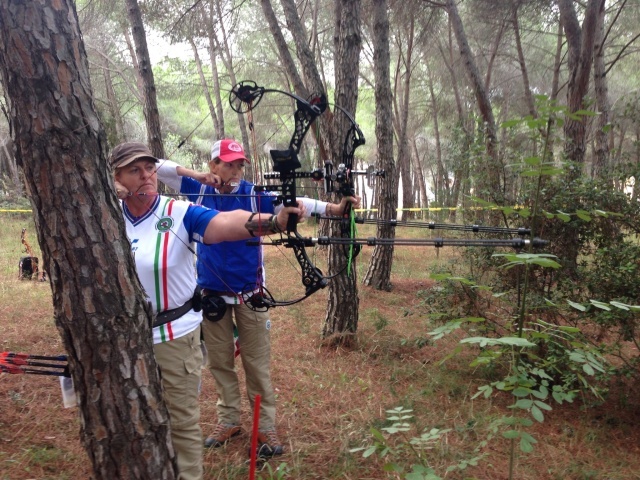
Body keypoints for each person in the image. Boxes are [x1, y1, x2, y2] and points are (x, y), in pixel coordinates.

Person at [110, 142, 304, 479]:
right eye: (134, 170)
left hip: (180, 328)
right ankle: (228, 420)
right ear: (117, 177)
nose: (145, 176)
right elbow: (169, 169)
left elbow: (229, 222)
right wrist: (108, 188)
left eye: (148, 168)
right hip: (131, 338)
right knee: (211, 368)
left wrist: (275, 221)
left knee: (191, 416)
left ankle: (263, 427)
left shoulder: (182, 211)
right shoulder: (105, 215)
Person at [156, 139, 360, 457]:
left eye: (239, 164)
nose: (235, 170)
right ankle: (228, 420)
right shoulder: (195, 190)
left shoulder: (254, 193)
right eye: (228, 163)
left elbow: (297, 202)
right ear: (213, 165)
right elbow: (154, 165)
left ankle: (264, 426)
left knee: (256, 365)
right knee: (220, 363)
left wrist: (335, 209)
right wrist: (195, 174)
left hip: (250, 294)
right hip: (210, 295)